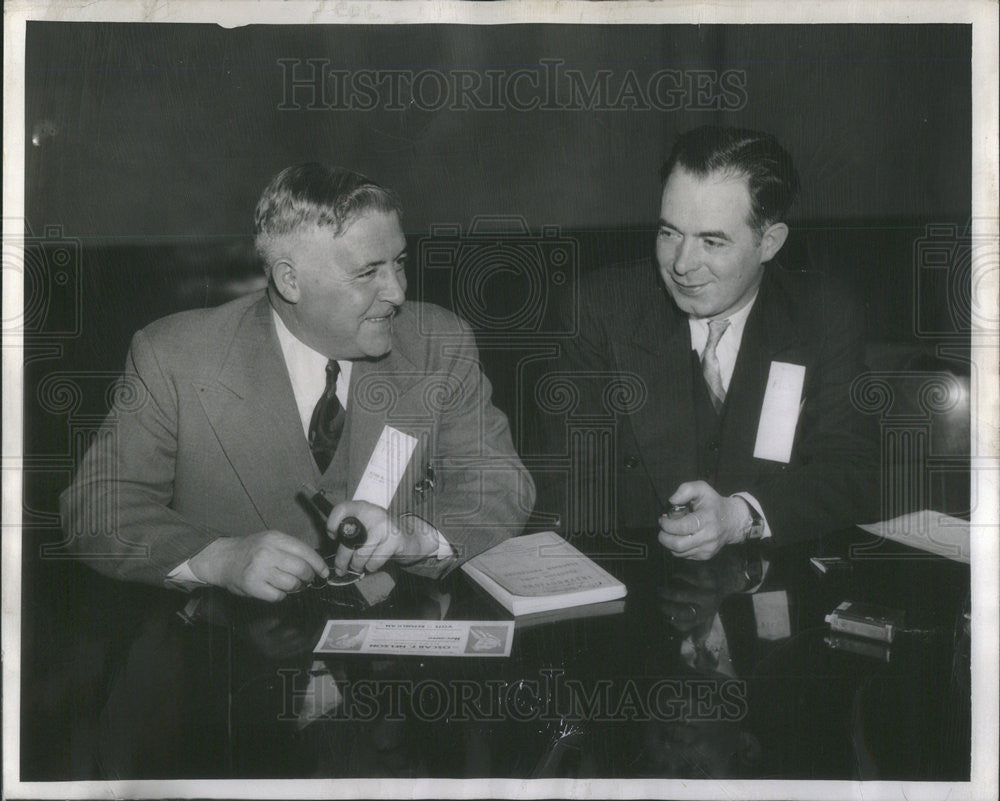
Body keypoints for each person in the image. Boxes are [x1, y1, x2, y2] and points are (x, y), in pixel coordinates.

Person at [60, 163, 535, 600]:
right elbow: (97, 510)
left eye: (399, 262)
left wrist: (414, 534)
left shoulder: (438, 342)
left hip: (394, 653)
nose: (397, 291)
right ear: (290, 281)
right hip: (222, 658)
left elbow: (500, 483)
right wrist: (218, 558)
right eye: (368, 272)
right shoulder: (174, 356)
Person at [538, 126, 878, 559]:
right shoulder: (598, 311)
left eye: (711, 241)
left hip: (770, 585)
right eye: (669, 233)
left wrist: (742, 518)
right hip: (634, 578)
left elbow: (854, 470)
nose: (681, 264)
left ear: (768, 243)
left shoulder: (822, 315)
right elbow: (572, 492)